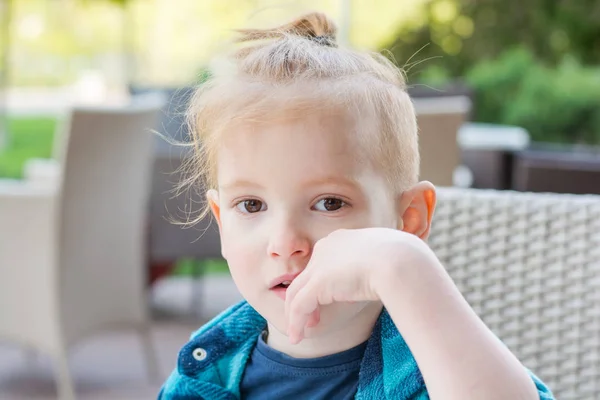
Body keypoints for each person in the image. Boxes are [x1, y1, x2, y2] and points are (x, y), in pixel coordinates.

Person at [158, 11, 553, 400]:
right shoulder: (205, 372)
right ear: (222, 223)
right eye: (250, 205)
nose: (285, 242)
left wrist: (406, 266)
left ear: (408, 219)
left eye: (329, 203)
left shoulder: (441, 365)